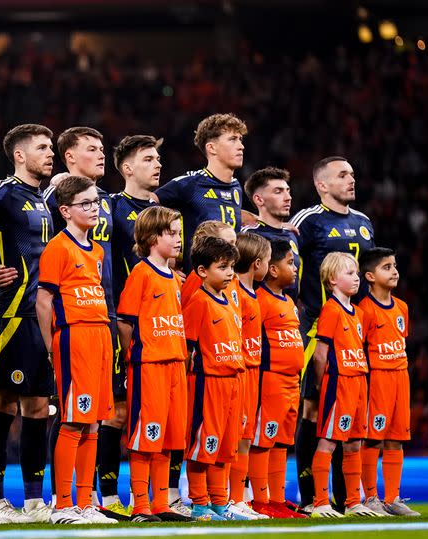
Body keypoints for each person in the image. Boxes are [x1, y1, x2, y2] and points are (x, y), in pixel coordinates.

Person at [290, 156, 376, 512]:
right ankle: (311, 498)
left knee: (350, 414)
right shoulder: (308, 222)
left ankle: (347, 499)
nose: (351, 180)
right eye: (342, 175)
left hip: (355, 334)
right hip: (316, 332)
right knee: (312, 410)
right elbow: (287, 265)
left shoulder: (365, 223)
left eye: (353, 174)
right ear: (322, 185)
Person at [0, 124, 55, 523]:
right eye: (42, 148)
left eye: (51, 147)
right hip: (11, 314)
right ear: (19, 155)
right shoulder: (1, 196)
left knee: (40, 406)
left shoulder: (40, 199)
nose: (50, 153)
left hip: (39, 315)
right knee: (3, 402)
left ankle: (32, 501)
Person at [43, 127, 117, 517]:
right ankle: (63, 503)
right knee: (73, 420)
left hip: (100, 336)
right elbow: (44, 300)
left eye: (95, 204)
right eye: (85, 204)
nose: (94, 209)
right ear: (66, 211)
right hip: (72, 338)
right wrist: (49, 343)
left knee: (95, 423)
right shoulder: (58, 247)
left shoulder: (98, 250)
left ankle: (87, 501)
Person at [115, 206, 189, 523]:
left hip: (175, 364)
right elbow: (125, 322)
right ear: (151, 237)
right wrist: (133, 358)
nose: (178, 239)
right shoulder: (141, 274)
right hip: (149, 365)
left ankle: (161, 504)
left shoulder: (174, 277)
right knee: (146, 437)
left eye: (178, 232)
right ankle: (141, 506)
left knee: (169, 439)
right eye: (171, 233)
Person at [103, 135, 161, 517]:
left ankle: (158, 497)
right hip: (120, 322)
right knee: (115, 411)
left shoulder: (165, 211)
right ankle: (106, 497)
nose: (157, 164)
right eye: (148, 159)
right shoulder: (110, 206)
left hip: (159, 327)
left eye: (159, 158)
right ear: (126, 168)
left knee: (150, 413)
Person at [309, 253, 379, 518]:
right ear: (331, 280)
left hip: (359, 381)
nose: (356, 277)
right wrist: (320, 386)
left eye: (356, 273)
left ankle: (352, 502)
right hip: (338, 383)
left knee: (353, 445)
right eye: (349, 273)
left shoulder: (358, 313)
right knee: (328, 442)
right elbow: (320, 353)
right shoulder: (331, 310)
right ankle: (320, 502)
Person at [182, 236, 242, 521]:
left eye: (231, 266)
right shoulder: (198, 301)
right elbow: (188, 347)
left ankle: (220, 503)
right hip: (208, 382)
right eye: (222, 267)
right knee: (202, 445)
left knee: (225, 447)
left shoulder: (229, 300)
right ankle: (200, 504)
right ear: (203, 271)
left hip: (233, 380)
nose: (230, 272)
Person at [357, 248, 420, 517]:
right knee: (373, 439)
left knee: (397, 438)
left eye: (394, 265)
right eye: (386, 267)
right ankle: (371, 496)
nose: (394, 271)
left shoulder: (402, 307)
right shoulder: (364, 310)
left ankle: (392, 498)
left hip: (400, 377)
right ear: (369, 276)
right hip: (377, 379)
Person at [248, 240, 306, 519]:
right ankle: (260, 501)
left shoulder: (290, 301)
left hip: (292, 381)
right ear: (272, 269)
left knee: (281, 441)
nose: (294, 269)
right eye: (290, 263)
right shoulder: (260, 299)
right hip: (270, 379)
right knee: (264, 439)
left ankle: (277, 499)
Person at [154, 113, 246, 274]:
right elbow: (148, 204)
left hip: (228, 278)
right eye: (232, 139)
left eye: (240, 139)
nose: (241, 146)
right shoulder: (190, 184)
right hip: (198, 280)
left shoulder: (236, 186)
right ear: (211, 148)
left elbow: (224, 213)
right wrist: (164, 260)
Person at [229, 233, 271, 520]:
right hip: (238, 370)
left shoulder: (252, 293)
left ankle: (238, 498)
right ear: (257, 264)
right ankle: (229, 498)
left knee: (245, 436)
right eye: (268, 260)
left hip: (253, 370)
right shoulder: (235, 292)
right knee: (234, 437)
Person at [242, 167, 301, 300]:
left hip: (289, 314)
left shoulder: (291, 234)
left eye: (288, 191)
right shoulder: (249, 237)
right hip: (260, 316)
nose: (288, 198)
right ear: (259, 199)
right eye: (278, 192)